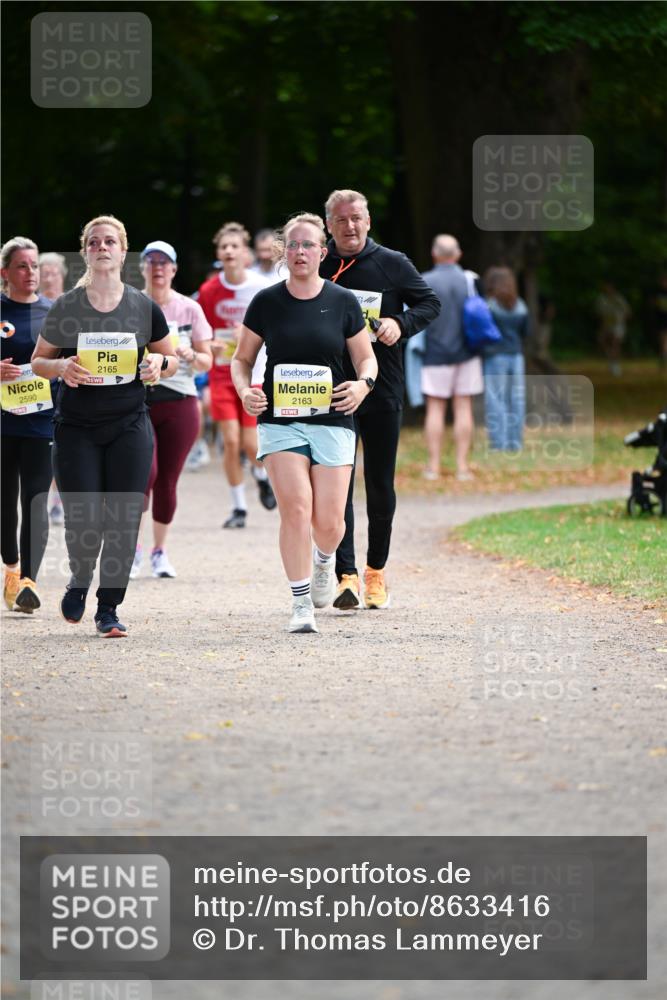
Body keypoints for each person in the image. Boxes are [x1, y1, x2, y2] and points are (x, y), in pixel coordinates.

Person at [31, 215, 178, 637]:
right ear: (85, 252)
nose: (102, 247)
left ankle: (108, 607)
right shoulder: (67, 307)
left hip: (129, 422)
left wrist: (156, 365)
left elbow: (169, 359)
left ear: (122, 249)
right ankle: (79, 579)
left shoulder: (143, 306)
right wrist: (60, 366)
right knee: (84, 518)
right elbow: (39, 362)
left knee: (124, 517)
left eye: (109, 241)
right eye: (94, 242)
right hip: (77, 426)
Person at [231, 212, 377, 633]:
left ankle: (324, 560)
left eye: (308, 245)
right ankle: (300, 605)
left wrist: (363, 386)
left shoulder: (343, 301)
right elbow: (241, 361)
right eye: (292, 244)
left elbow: (365, 358)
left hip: (333, 416)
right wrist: (245, 391)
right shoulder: (267, 302)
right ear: (284, 252)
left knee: (329, 523)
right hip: (281, 419)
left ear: (322, 253)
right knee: (295, 508)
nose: (299, 252)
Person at [320, 188, 440, 611]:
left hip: (382, 387)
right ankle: (345, 575)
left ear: (368, 221)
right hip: (331, 390)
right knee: (337, 487)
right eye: (341, 219)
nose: (349, 226)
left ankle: (376, 572)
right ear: (328, 225)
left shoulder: (391, 263)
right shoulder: (318, 264)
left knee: (378, 484)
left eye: (356, 218)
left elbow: (430, 302)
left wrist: (399, 324)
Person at [130, 240, 213, 579]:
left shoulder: (189, 309)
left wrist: (192, 356)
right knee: (140, 476)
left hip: (180, 401)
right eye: (152, 262)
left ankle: (159, 552)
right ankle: (131, 550)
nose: (158, 268)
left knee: (167, 480)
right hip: (138, 402)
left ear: (175, 270)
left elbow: (209, 359)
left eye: (165, 262)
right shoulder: (129, 304)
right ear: (142, 268)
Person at [198, 222, 276, 527]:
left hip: (255, 371)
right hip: (222, 372)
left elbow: (275, 325)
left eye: (235, 246)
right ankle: (239, 508)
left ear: (245, 253)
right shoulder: (209, 290)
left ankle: (260, 475)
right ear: (219, 253)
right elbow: (199, 330)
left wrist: (247, 332)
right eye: (223, 247)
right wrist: (209, 344)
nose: (229, 251)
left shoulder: (260, 286)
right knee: (230, 442)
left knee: (251, 444)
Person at [1, 237, 54, 613]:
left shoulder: (55, 314)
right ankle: (11, 567)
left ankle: (29, 583)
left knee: (36, 502)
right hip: (3, 425)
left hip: (42, 423)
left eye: (34, 266)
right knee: (5, 505)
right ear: (5, 273)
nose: (30, 272)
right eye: (22, 266)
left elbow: (69, 362)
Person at [421, 234, 484, 482]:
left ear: (434, 254)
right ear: (457, 255)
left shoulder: (424, 281)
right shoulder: (471, 280)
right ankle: (462, 467)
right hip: (467, 353)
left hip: (435, 353)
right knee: (463, 407)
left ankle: (433, 467)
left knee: (435, 409)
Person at [482, 266, 528, 452]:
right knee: (516, 399)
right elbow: (527, 332)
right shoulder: (520, 305)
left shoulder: (489, 305)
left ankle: (498, 444)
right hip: (516, 356)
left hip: (495, 356)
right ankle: (515, 443)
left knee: (496, 399)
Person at [595, 281, 630, 376]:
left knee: (615, 343)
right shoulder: (602, 299)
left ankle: (615, 365)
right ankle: (611, 359)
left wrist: (622, 322)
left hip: (618, 325)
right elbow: (600, 315)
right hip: (607, 325)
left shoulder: (619, 299)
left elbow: (627, 312)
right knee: (603, 342)